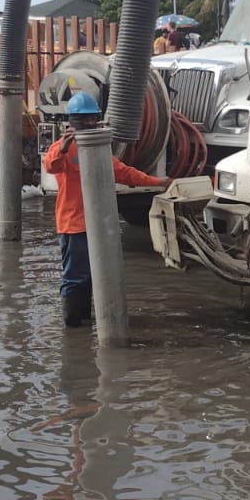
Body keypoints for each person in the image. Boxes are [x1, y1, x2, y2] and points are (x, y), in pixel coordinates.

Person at [42, 92, 167, 328]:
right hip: (74, 224)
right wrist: (63, 147)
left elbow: (124, 172)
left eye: (92, 119)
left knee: (92, 275)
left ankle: (86, 320)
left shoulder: (100, 148)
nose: (89, 124)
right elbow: (51, 165)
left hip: (96, 223)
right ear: (72, 121)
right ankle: (71, 323)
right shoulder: (62, 148)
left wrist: (157, 182)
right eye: (84, 120)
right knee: (75, 276)